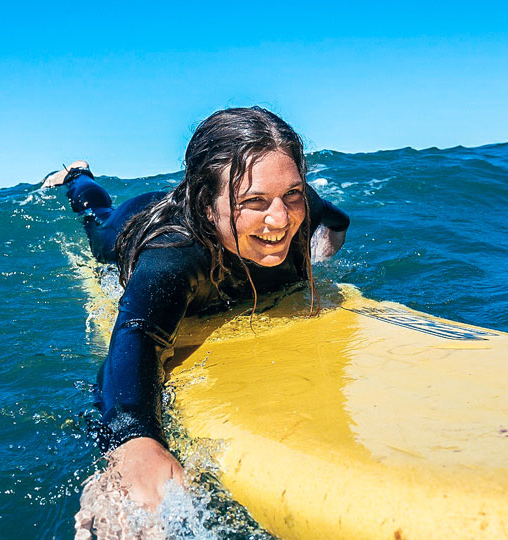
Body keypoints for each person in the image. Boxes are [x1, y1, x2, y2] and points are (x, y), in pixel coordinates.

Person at [43, 107, 350, 525]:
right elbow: (136, 336)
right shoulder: (174, 256)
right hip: (134, 221)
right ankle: (79, 177)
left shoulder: (298, 204)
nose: (279, 218)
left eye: (291, 195)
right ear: (207, 206)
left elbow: (337, 221)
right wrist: (135, 441)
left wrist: (315, 257)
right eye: (253, 202)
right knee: (96, 221)